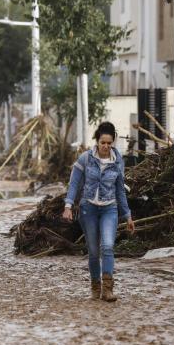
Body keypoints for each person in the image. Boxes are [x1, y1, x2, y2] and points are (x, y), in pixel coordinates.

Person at [62, 121, 135, 302]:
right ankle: (95, 286)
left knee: (108, 246)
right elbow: (74, 184)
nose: (106, 146)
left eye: (109, 143)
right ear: (97, 141)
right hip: (88, 209)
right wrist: (68, 206)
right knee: (94, 252)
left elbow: (120, 190)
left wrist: (128, 216)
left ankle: (108, 289)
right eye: (103, 142)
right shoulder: (85, 159)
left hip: (110, 208)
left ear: (113, 143)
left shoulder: (118, 162)